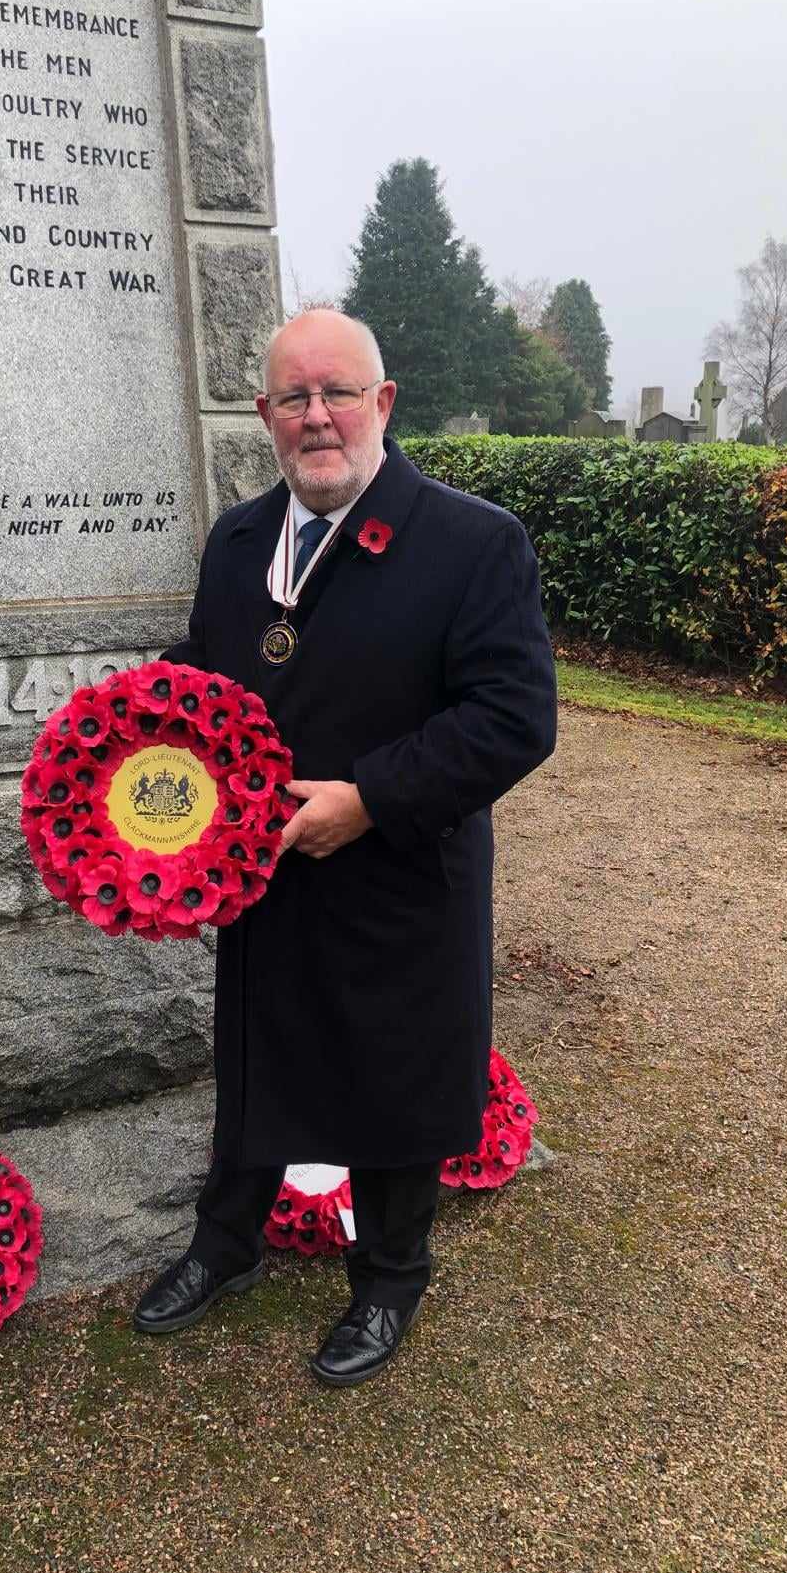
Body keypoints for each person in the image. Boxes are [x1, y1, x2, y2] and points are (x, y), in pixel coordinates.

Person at [131, 308, 557, 1386]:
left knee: (392, 1077)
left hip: (399, 869)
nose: (315, 417)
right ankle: (225, 1244)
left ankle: (389, 1278)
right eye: (291, 397)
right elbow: (210, 671)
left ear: (383, 403)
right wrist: (132, 733)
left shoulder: (472, 542)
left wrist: (367, 798)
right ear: (265, 413)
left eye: (336, 392)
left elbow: (513, 716)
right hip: (263, 873)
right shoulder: (238, 541)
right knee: (258, 1054)